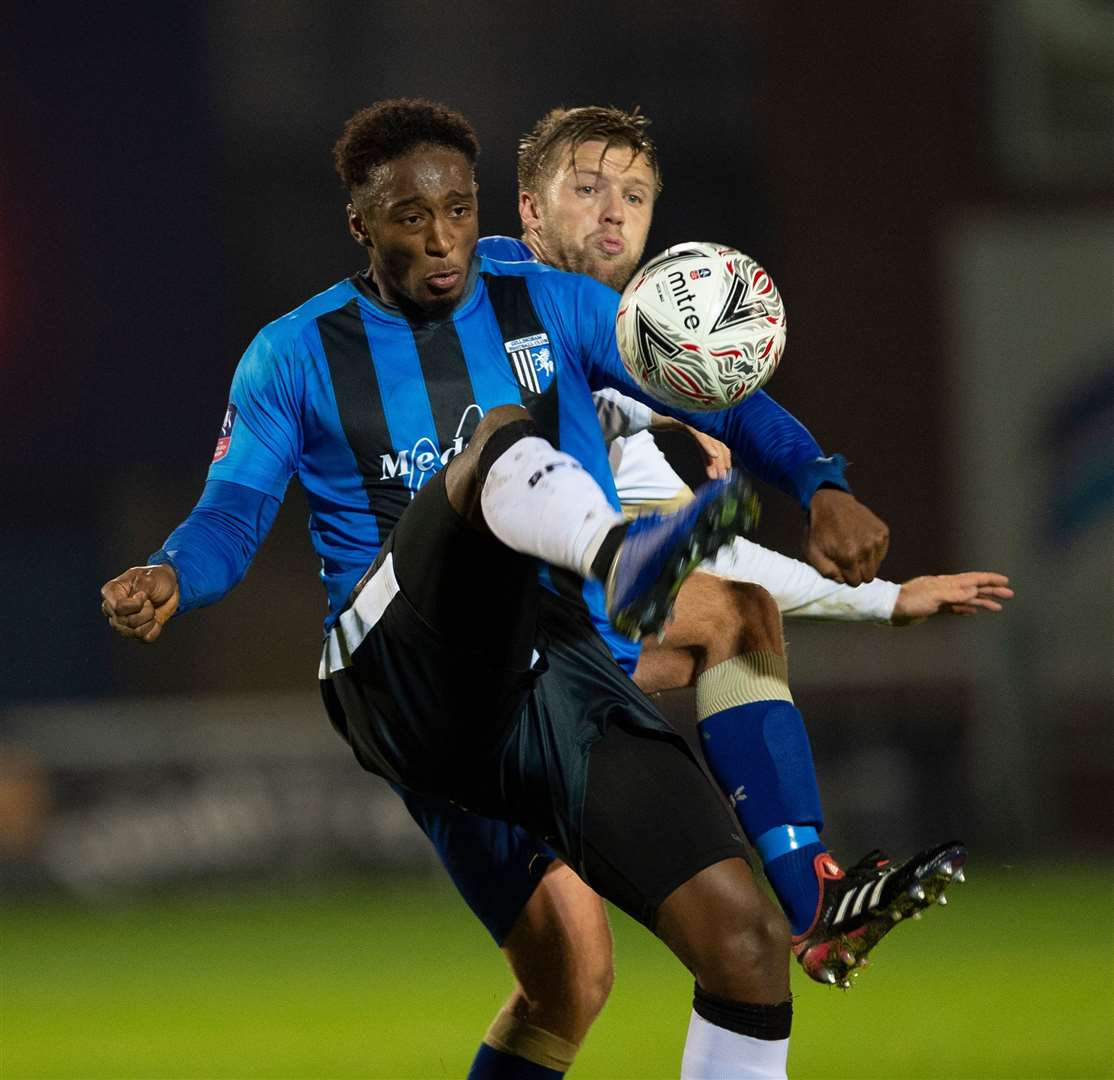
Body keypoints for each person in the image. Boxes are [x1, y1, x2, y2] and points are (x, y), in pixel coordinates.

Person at [96, 101, 990, 1078]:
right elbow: (230, 516)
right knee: (499, 441)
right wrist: (173, 572)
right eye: (408, 217)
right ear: (359, 223)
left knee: (696, 958)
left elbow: (715, 391)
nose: (441, 239)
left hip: (554, 671)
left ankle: (800, 900)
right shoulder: (295, 354)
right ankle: (621, 559)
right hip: (405, 674)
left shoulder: (552, 304)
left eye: (457, 209)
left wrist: (819, 483)